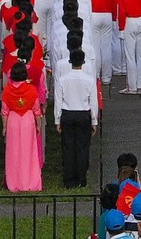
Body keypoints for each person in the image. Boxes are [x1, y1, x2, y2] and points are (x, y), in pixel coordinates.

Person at [55, 48, 99, 188]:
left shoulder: (63, 80)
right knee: (82, 147)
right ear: (83, 62)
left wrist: (57, 120)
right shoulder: (89, 80)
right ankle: (81, 178)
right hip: (83, 114)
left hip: (67, 114)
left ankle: (68, 179)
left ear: (70, 61)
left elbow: (58, 101)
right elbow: (93, 102)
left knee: (68, 147)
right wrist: (94, 120)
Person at [1, 63, 43, 192]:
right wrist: (39, 125)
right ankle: (30, 182)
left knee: (14, 152)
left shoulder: (7, 90)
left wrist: (4, 127)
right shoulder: (31, 90)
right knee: (29, 151)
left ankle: (14, 182)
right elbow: (37, 110)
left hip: (13, 120)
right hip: (27, 120)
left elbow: (4, 111)